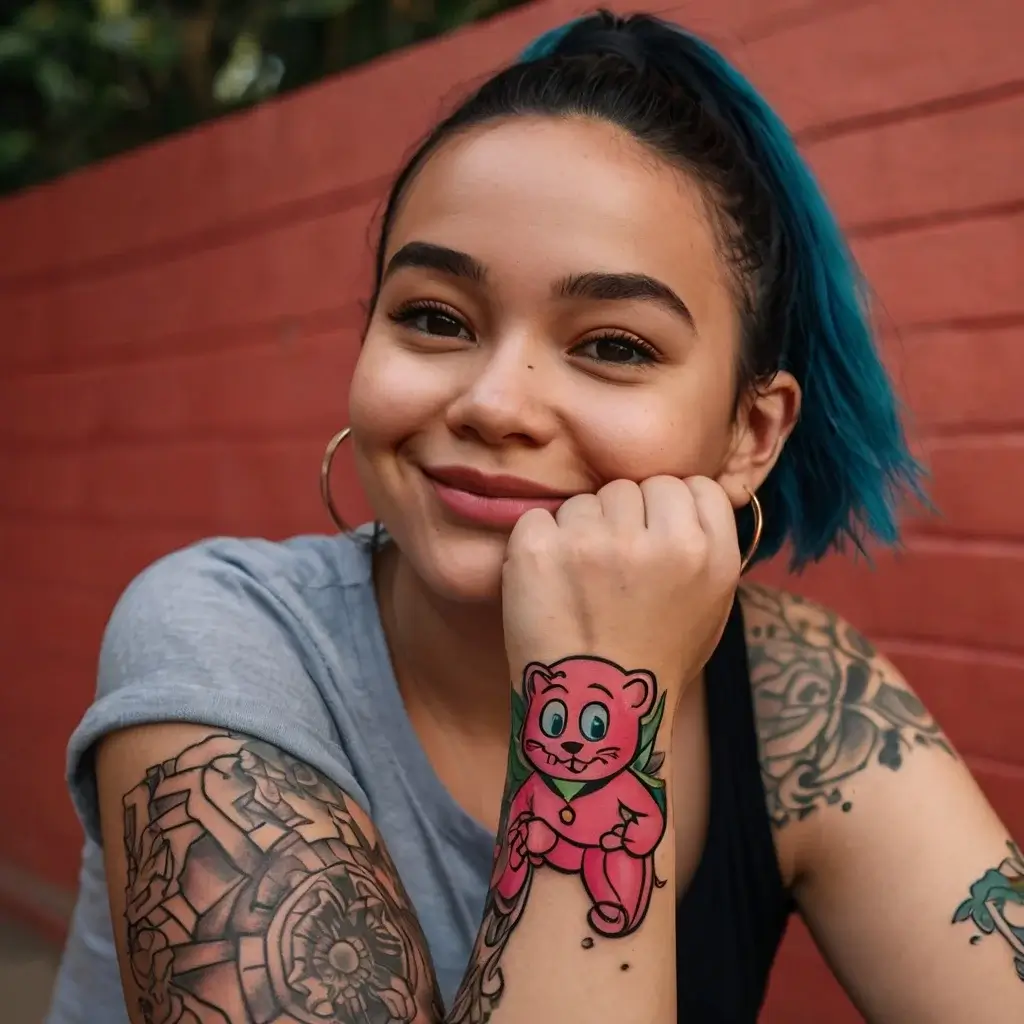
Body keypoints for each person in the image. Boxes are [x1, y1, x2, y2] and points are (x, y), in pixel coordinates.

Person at [46, 10, 1023, 1024]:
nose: (494, 403)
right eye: (434, 318)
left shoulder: (800, 700)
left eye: (612, 345)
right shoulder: (221, 639)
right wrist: (606, 688)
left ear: (750, 433)